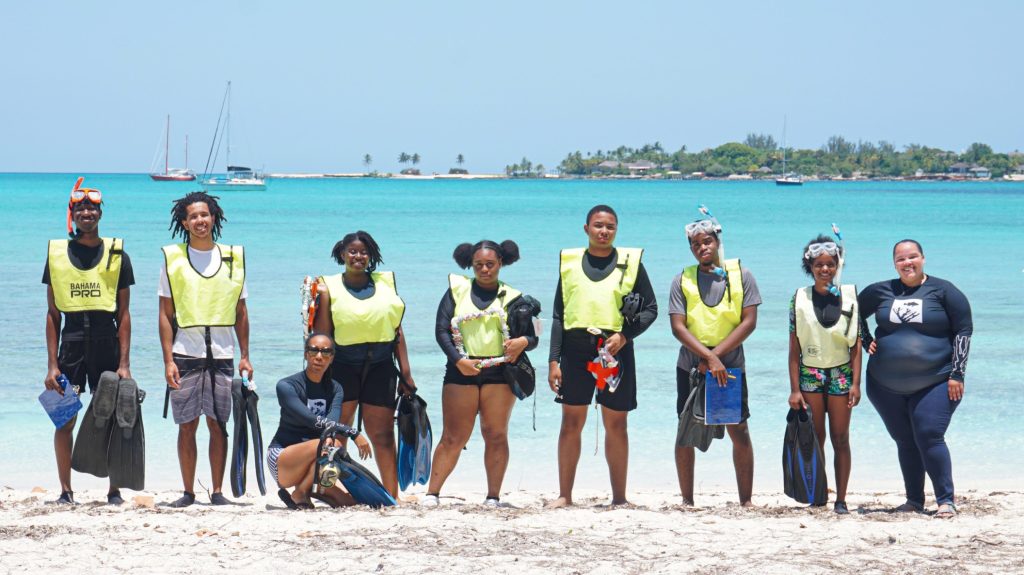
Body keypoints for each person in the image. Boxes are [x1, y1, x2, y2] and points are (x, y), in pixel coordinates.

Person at [547, 206, 658, 508]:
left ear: (616, 230)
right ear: (586, 229)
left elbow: (651, 310)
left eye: (610, 226)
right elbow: (559, 315)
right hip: (576, 349)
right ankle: (564, 495)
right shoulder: (569, 262)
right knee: (571, 422)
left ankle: (619, 497)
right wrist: (553, 361)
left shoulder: (630, 263)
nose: (604, 231)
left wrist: (625, 336)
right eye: (598, 226)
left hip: (613, 353)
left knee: (617, 424)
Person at [859, 239, 971, 519]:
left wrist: (957, 373)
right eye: (900, 259)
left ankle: (945, 500)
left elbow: (963, 331)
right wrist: (865, 339)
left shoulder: (944, 290)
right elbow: (852, 315)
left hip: (936, 381)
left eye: (912, 257)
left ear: (923, 258)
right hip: (884, 385)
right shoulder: (880, 290)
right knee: (904, 440)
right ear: (894, 263)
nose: (907, 263)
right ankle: (914, 500)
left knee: (929, 434)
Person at [423, 240, 538, 507]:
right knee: (454, 436)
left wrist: (523, 343)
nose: (485, 269)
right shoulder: (456, 291)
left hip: (500, 374)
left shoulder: (515, 297)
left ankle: (493, 497)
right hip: (461, 370)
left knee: (495, 433)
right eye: (479, 265)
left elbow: (532, 337)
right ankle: (432, 493)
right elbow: (441, 330)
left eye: (490, 264)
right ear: (470, 265)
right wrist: (458, 360)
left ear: (501, 263)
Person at [42, 178, 134, 505]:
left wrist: (124, 364)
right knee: (65, 418)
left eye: (92, 207)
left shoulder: (117, 254)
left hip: (106, 347)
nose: (86, 212)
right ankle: (66, 491)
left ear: (100, 214)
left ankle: (114, 490)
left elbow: (124, 314)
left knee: (110, 419)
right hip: (71, 347)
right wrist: (52, 365)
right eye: (80, 207)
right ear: (72, 214)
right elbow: (53, 315)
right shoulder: (57, 254)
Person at [159, 191, 252, 508]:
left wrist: (246, 356)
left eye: (204, 215)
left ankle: (216, 491)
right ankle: (187, 492)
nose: (200, 220)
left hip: (223, 353)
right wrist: (168, 359)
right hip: (186, 352)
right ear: (184, 222)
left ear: (214, 217)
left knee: (218, 423)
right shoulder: (173, 259)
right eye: (193, 216)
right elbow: (165, 313)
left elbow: (241, 312)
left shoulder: (232, 257)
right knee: (187, 424)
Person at [312, 231, 414, 498]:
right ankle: (332, 490)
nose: (358, 256)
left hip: (381, 365)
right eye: (353, 251)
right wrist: (318, 374)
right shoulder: (327, 287)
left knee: (382, 435)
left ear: (372, 255)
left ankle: (391, 495)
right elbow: (322, 335)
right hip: (343, 365)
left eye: (364, 252)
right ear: (342, 254)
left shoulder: (386, 283)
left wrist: (406, 373)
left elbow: (397, 331)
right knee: (338, 430)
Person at [669, 216, 760, 507]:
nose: (702, 247)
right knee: (686, 429)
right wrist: (707, 358)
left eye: (707, 241)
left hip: (729, 368)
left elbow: (749, 322)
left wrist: (717, 357)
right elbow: (678, 327)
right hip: (692, 366)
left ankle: (745, 501)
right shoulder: (681, 279)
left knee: (738, 429)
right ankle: (687, 500)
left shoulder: (741, 275)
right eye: (695, 244)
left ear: (718, 242)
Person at [787, 235, 862, 514]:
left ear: (837, 265)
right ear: (810, 266)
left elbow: (857, 345)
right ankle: (818, 493)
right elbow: (794, 350)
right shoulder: (798, 298)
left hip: (841, 374)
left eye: (830, 264)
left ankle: (841, 499)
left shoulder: (851, 296)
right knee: (816, 437)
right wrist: (794, 389)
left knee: (840, 438)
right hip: (810, 375)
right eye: (819, 265)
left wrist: (856, 383)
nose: (825, 269)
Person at [269, 333, 372, 509]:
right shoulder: (287, 386)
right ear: (305, 354)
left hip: (317, 459)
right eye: (314, 350)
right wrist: (352, 432)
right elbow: (309, 419)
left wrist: (336, 434)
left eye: (325, 352)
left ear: (331, 358)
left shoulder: (335, 389)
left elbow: (331, 424)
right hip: (283, 460)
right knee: (334, 444)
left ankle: (308, 489)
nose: (319, 357)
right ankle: (300, 493)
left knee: (350, 503)